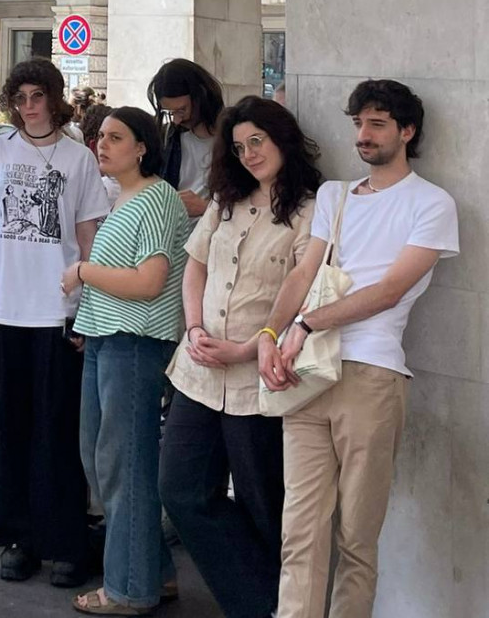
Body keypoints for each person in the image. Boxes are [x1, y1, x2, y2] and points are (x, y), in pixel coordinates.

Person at [258, 80, 458, 618]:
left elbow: (390, 290)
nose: (363, 136)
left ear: (407, 131)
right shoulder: (334, 195)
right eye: (358, 124)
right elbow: (304, 270)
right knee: (299, 533)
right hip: (307, 374)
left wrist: (305, 323)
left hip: (372, 375)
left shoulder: (432, 203)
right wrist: (271, 335)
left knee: (356, 539)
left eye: (377, 124)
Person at [158, 97, 322, 618]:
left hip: (260, 382)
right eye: (239, 146)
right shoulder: (225, 200)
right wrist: (197, 328)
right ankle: (259, 605)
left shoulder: (311, 211)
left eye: (258, 141)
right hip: (199, 375)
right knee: (181, 491)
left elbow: (304, 291)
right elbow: (195, 267)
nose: (249, 154)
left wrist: (247, 348)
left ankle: (283, 606)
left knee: (266, 508)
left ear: (282, 140)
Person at [0, 58, 108, 588]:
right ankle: (19, 539)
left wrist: (90, 307)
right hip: (5, 309)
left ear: (53, 97)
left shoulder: (79, 159)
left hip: (58, 310)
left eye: (36, 96)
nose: (28, 106)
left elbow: (89, 235)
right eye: (19, 97)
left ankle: (65, 542)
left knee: (59, 430)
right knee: (12, 427)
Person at [62, 107, 188, 615]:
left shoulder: (156, 198)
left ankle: (129, 589)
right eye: (100, 136)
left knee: (122, 465)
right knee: (102, 459)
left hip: (134, 343)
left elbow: (149, 282)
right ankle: (152, 571)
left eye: (116, 137)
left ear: (143, 147)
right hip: (106, 340)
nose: (102, 144)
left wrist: (84, 272)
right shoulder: (128, 197)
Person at [147, 59, 225, 224]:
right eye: (170, 112)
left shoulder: (234, 139)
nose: (176, 120)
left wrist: (206, 208)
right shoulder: (168, 138)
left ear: (201, 97)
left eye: (182, 110)